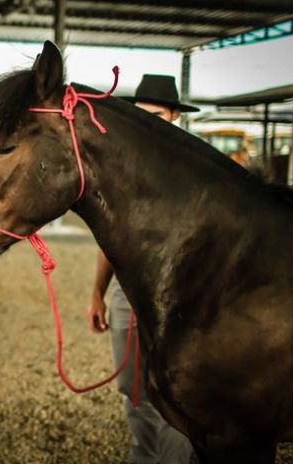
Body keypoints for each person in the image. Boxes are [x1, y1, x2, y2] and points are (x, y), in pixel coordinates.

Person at [86, 74, 199, 464]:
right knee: (131, 389)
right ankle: (142, 457)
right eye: (142, 116)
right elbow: (110, 237)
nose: (148, 123)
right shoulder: (123, 171)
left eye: (156, 115)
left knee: (173, 393)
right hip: (126, 294)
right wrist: (97, 294)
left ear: (174, 119)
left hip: (179, 296)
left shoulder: (196, 172)